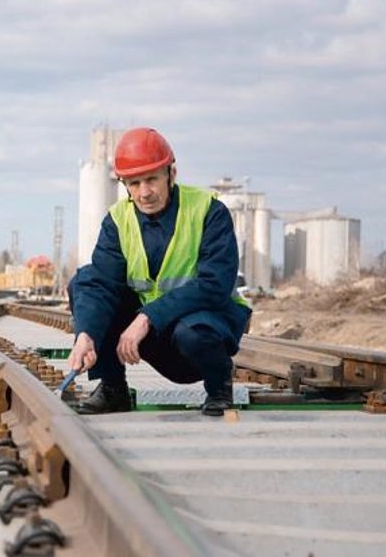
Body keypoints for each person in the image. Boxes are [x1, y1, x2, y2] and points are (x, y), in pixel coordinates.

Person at [67, 127, 251, 416]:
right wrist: (86, 334)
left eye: (152, 179)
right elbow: (101, 284)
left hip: (197, 334)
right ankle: (113, 390)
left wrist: (146, 317)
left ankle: (219, 389)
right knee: (85, 280)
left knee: (194, 332)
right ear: (124, 185)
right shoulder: (118, 220)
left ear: (171, 174)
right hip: (149, 336)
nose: (145, 192)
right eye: (134, 183)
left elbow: (214, 284)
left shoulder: (208, 211)